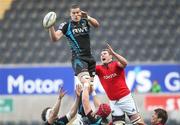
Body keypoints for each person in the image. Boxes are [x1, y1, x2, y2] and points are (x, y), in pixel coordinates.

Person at [48, 4, 100, 86]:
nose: (76, 15)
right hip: (78, 59)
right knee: (86, 83)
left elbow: (97, 25)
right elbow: (55, 38)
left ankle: (79, 97)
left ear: (80, 12)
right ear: (70, 14)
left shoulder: (85, 21)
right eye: (73, 13)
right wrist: (51, 26)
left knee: (90, 88)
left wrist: (88, 17)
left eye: (77, 12)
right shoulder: (66, 26)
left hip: (90, 58)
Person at [95, 43, 145, 125]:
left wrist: (114, 53)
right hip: (114, 103)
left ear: (111, 56)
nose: (102, 56)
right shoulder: (99, 69)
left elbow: (125, 63)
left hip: (126, 99)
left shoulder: (116, 64)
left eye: (104, 54)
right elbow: (87, 69)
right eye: (101, 55)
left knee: (139, 123)